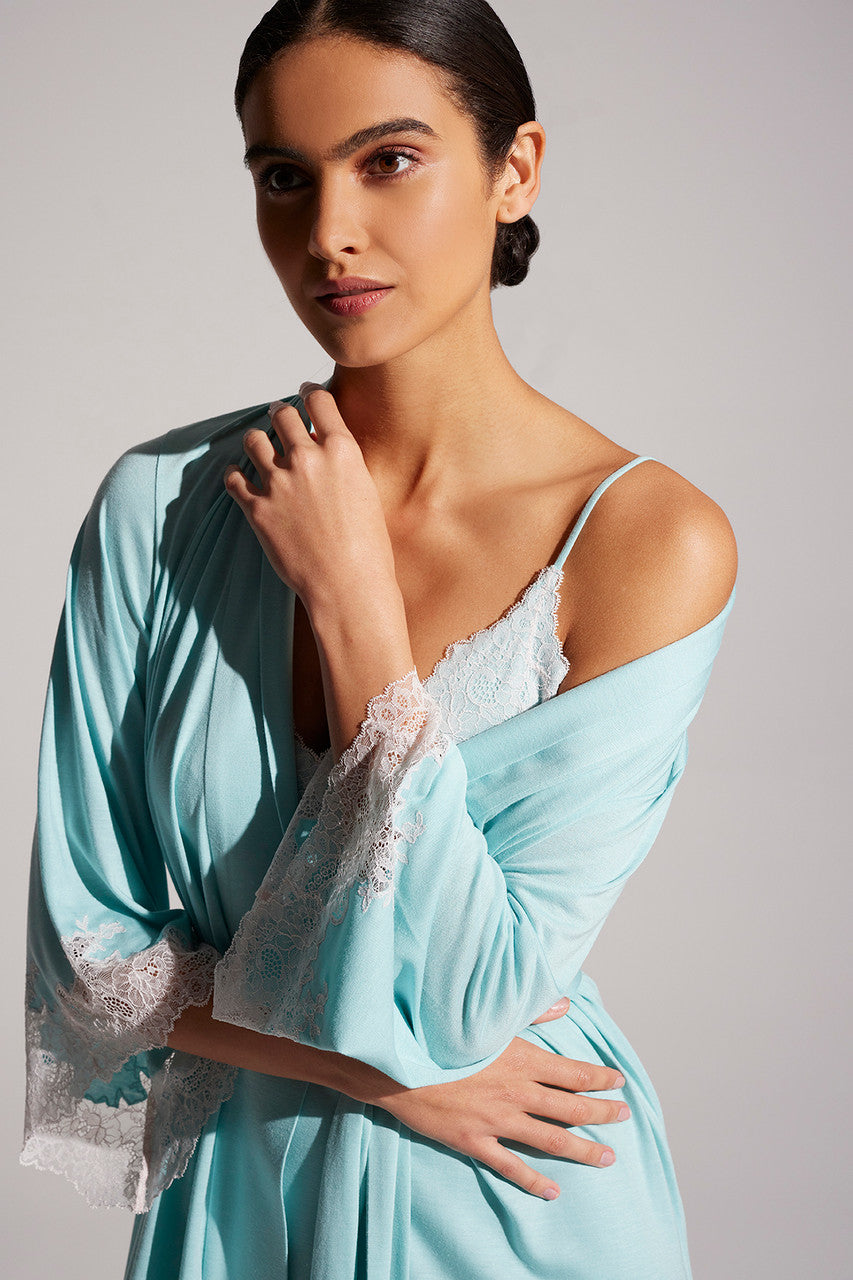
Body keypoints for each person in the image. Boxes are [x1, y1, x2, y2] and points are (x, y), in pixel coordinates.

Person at [21, 1, 738, 1276]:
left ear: (515, 169)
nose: (328, 232)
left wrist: (353, 599)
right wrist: (382, 1076)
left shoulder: (645, 541)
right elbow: (91, 968)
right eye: (283, 178)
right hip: (237, 1201)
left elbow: (473, 1002)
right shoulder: (157, 507)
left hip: (514, 1188)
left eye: (389, 160)